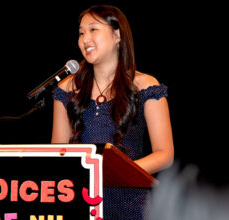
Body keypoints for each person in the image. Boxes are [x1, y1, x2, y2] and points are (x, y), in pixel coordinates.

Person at [51, 4, 174, 219]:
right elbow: (56, 153)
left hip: (131, 205)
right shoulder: (66, 89)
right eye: (81, 33)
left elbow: (165, 154)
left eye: (93, 29)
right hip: (81, 204)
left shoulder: (145, 86)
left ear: (117, 35)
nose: (84, 39)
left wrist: (112, 173)